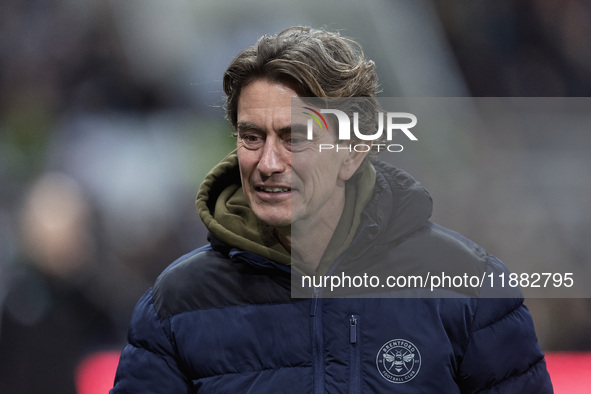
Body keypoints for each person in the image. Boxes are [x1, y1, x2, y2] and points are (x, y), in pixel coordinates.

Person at [111, 26, 552, 393]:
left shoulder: (470, 291)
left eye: (294, 138)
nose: (267, 163)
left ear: (355, 151)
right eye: (251, 137)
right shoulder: (176, 304)